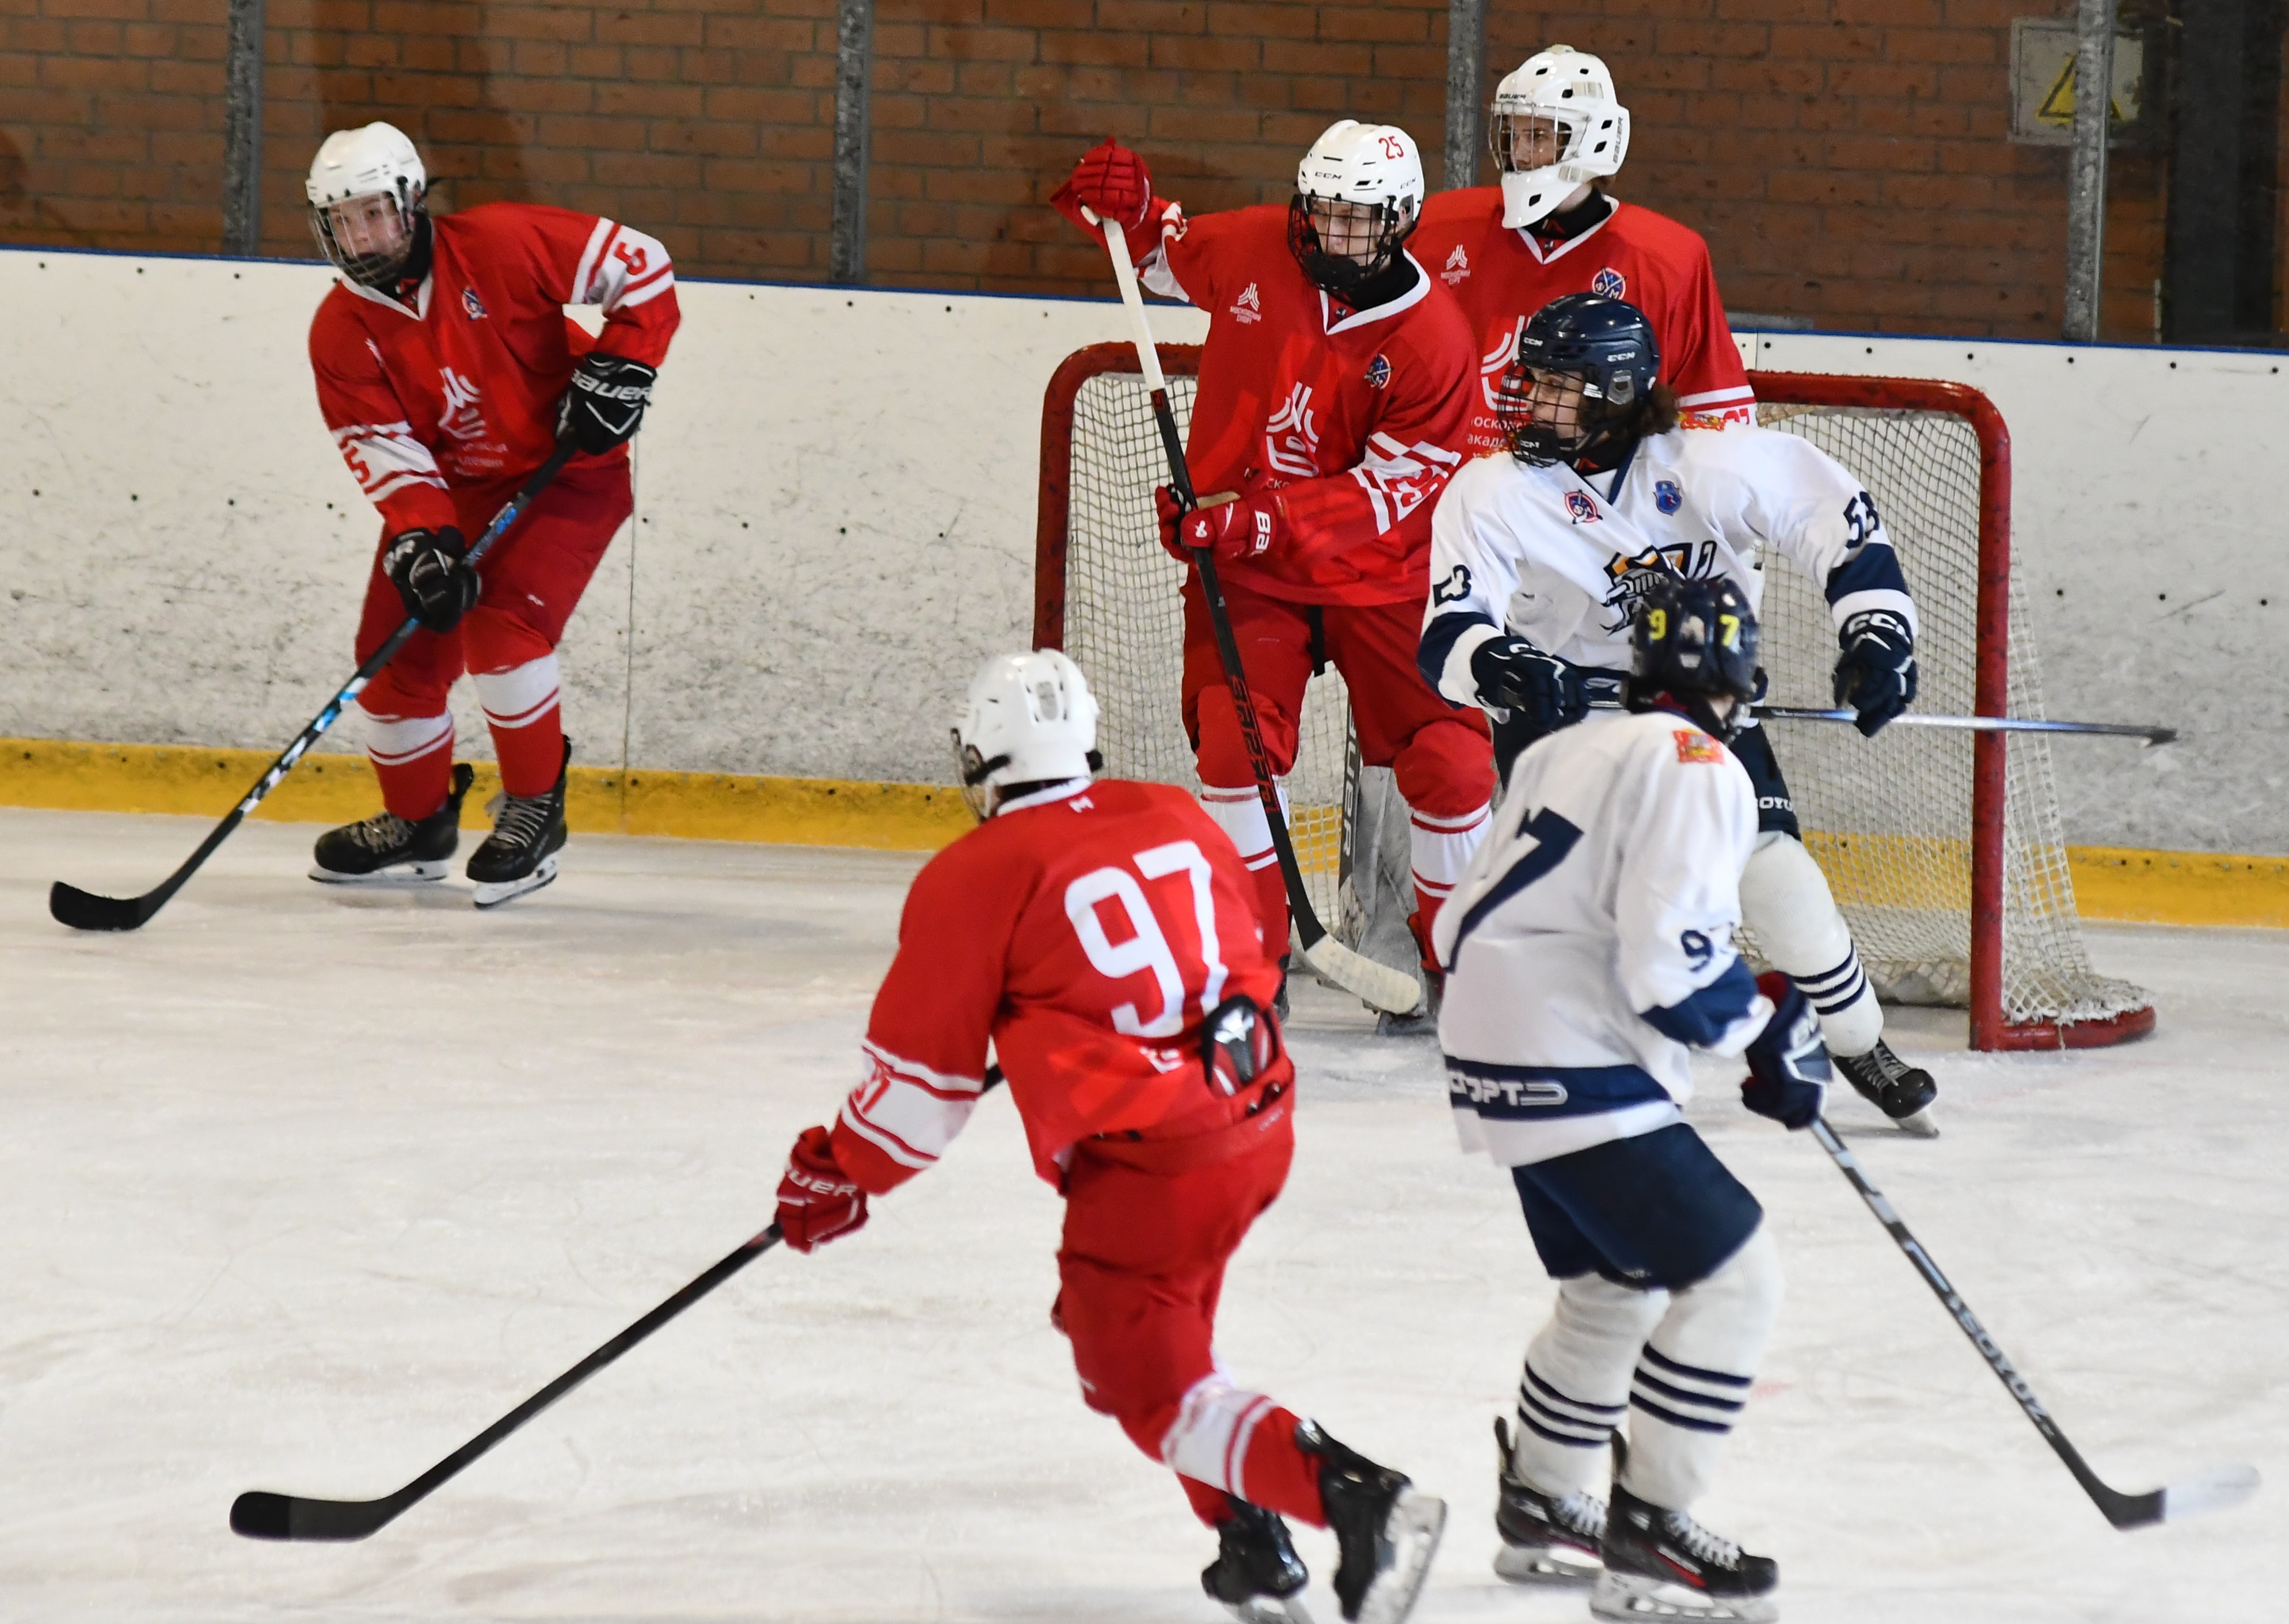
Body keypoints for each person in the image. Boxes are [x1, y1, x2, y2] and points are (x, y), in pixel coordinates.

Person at [771, 651, 1446, 1624]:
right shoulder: (1173, 814)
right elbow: (1244, 957)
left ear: (976, 761)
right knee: (1177, 1345)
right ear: (1086, 742)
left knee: (1144, 1382)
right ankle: (1252, 1546)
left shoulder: (977, 873)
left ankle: (1355, 1499)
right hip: (1257, 1121)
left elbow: (920, 1098)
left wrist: (839, 1172)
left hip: (1155, 1162)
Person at [1419, 292, 1937, 1131]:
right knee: (1592, 904)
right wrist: (1501, 664)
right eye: (1533, 383)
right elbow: (1447, 632)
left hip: (1700, 707)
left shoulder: (1709, 466)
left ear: (1619, 394)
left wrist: (1878, 635)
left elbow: (1845, 531)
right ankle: (1588, 1057)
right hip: (1563, 723)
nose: (1533, 404)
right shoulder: (1491, 491)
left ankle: (1858, 1039)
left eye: (1560, 388)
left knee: (1775, 880)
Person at [1432, 577, 1826, 1623]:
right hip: (1574, 1053)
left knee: (1614, 1284)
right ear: (1742, 687)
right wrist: (1769, 1034)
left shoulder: (1567, 745)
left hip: (1487, 1045)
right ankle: (1650, 1535)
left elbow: (1463, 917)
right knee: (1736, 1281)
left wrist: (1741, 1016)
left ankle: (1543, 1498)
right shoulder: (1706, 766)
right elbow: (1673, 965)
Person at [1052, 123, 1495, 1006]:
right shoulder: (1258, 245)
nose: (1332, 235)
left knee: (1452, 761)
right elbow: (1155, 257)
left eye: (1357, 221)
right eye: (1322, 212)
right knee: (1233, 741)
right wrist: (1127, 204)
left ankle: (1467, 961)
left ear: (1401, 222)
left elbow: (1383, 496)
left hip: (1387, 577)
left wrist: (1254, 521)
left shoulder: (1436, 340)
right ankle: (1252, 958)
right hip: (1250, 574)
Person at [301, 121, 678, 906]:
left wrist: (623, 368)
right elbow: (389, 450)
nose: (361, 235)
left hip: (568, 472)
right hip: (462, 494)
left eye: (374, 212)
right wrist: (422, 542)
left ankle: (535, 807)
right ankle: (418, 824)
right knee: (392, 654)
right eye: (343, 220)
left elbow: (641, 266)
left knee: (500, 631)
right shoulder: (341, 330)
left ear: (410, 203)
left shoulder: (503, 241)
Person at [1412, 44, 1756, 458]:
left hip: (1593, 510)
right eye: (1512, 133)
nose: (1519, 153)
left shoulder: (1668, 259)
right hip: (1453, 500)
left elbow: (1718, 421)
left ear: (1593, 139)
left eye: (1537, 135)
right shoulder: (1441, 227)